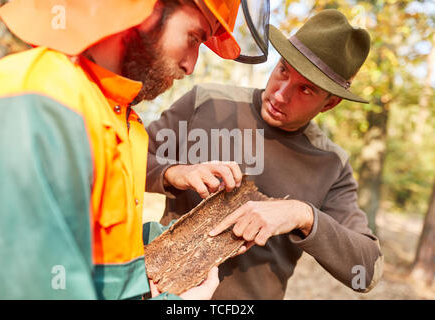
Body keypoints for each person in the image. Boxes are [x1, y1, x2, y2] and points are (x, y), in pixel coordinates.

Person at [0, 0, 267, 300]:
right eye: (194, 38)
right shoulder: (40, 98)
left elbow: (95, 246)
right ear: (149, 9)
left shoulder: (122, 119)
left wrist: (177, 240)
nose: (190, 65)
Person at [146, 9, 384, 299]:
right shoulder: (206, 103)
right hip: (163, 297)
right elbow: (121, 161)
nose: (281, 93)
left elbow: (368, 270)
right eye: (283, 69)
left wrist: (303, 215)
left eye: (305, 89)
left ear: (329, 104)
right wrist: (174, 173)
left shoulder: (332, 164)